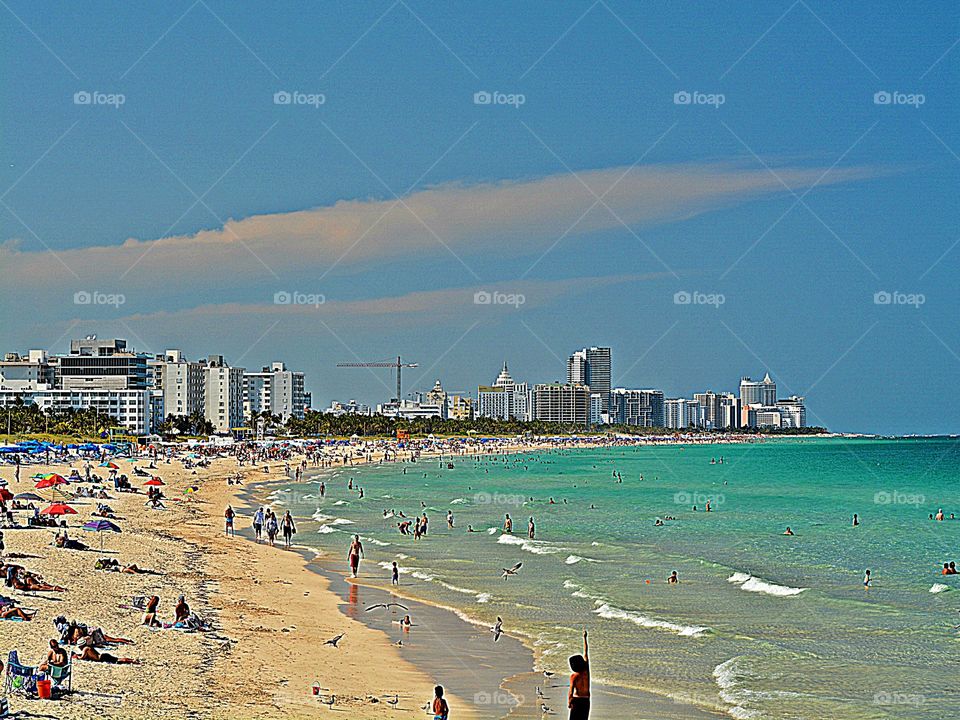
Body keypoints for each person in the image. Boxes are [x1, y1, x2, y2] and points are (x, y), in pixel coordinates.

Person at [568, 629, 590, 719]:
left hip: (577, 700)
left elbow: (571, 691)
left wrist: (569, 702)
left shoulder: (574, 676)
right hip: (586, 700)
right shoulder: (586, 672)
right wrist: (584, 638)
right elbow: (586, 652)